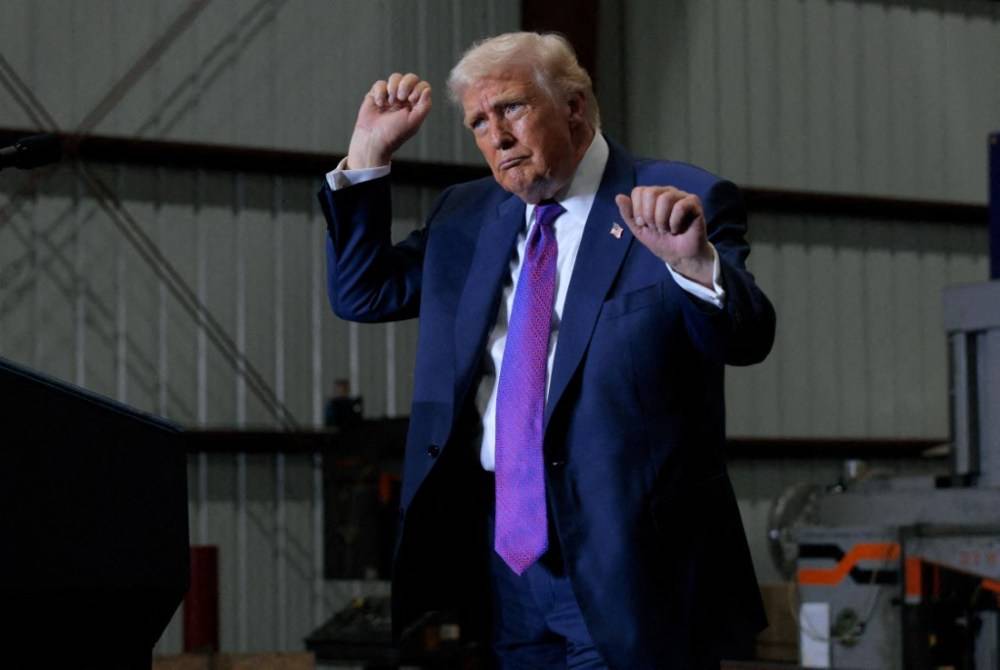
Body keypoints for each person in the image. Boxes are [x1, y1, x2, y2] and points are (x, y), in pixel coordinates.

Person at [319, 32, 776, 669]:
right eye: (478, 121)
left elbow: (748, 338)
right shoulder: (468, 214)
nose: (496, 136)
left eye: (510, 108)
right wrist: (367, 154)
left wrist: (695, 265)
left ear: (575, 107)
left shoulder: (675, 197)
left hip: (633, 567)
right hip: (504, 560)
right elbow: (362, 293)